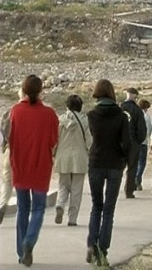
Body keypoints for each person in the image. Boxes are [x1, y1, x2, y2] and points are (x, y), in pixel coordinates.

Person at [9, 75, 59, 266]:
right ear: (41, 91)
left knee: (23, 208)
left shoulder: (15, 111)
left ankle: (21, 252)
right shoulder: (49, 114)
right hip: (41, 167)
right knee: (38, 208)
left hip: (20, 166)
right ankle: (29, 241)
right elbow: (54, 141)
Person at [86, 79, 130, 266]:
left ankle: (91, 243)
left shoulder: (91, 115)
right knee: (109, 211)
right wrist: (124, 159)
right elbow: (127, 143)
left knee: (97, 206)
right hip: (114, 164)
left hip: (95, 162)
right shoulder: (121, 116)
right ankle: (102, 251)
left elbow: (93, 138)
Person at [54, 94, 92, 226]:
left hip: (63, 157)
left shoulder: (60, 120)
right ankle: (72, 218)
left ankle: (60, 204)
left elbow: (55, 140)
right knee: (77, 189)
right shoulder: (85, 121)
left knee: (63, 185)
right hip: (79, 158)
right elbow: (89, 141)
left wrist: (54, 154)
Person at [0, 88, 24, 226]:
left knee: (6, 182)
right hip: (24, 152)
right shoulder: (28, 112)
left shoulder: (9, 112)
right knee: (22, 183)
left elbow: (3, 132)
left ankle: (2, 204)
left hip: (9, 150)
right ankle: (22, 211)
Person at [120, 87, 147, 199]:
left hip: (120, 142)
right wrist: (138, 141)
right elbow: (142, 129)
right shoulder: (137, 110)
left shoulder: (119, 108)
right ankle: (129, 191)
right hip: (133, 142)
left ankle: (113, 188)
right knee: (132, 168)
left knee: (118, 167)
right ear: (136, 96)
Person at [136, 99, 152, 191]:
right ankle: (138, 179)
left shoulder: (136, 115)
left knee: (135, 162)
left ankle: (134, 179)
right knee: (141, 163)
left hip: (135, 142)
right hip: (143, 142)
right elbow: (149, 130)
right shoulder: (146, 117)